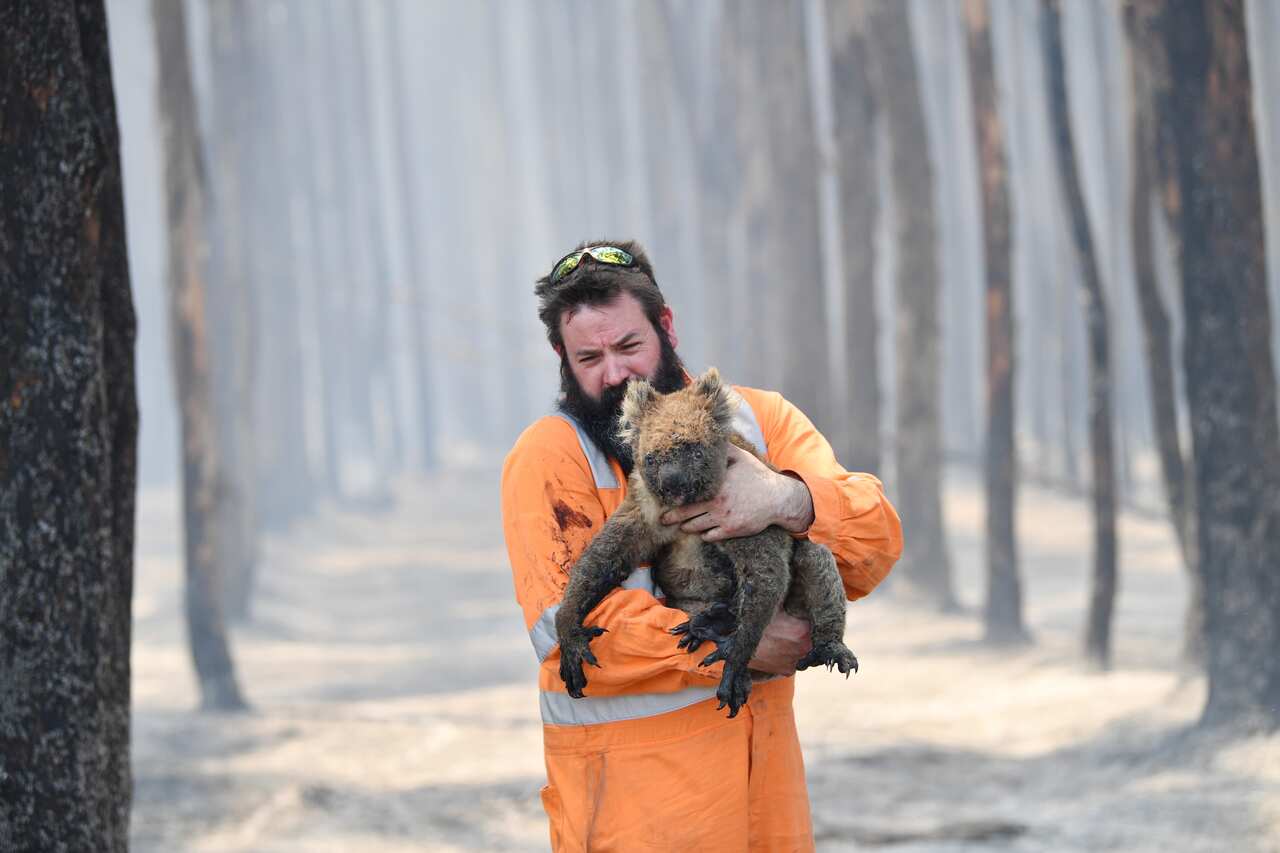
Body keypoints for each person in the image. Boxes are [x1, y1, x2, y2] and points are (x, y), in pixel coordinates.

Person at [501, 240, 903, 851]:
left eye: (629, 346)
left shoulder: (756, 420)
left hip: (766, 808)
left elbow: (875, 541)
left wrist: (787, 500)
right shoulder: (551, 457)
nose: (614, 373)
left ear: (666, 326)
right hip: (632, 820)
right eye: (588, 356)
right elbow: (565, 629)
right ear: (561, 356)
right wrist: (730, 645)